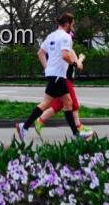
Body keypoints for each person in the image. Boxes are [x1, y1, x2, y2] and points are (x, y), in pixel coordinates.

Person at [14, 13, 84, 142]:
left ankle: (75, 134)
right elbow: (65, 55)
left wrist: (47, 68)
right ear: (67, 24)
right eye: (72, 25)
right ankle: (24, 126)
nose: (72, 28)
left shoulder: (51, 36)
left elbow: (40, 53)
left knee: (67, 102)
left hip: (54, 73)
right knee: (48, 103)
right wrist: (75, 63)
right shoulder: (65, 37)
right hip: (58, 74)